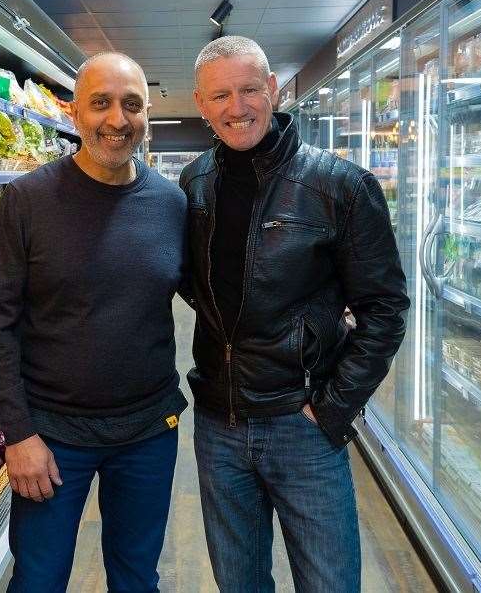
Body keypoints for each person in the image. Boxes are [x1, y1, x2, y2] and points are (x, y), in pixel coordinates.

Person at [180, 35, 409, 593]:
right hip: (219, 423)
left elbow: (385, 310)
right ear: (200, 104)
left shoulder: (340, 186)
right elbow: (195, 290)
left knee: (328, 581)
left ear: (274, 89)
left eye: (250, 89)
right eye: (220, 96)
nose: (237, 108)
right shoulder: (195, 184)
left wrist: (330, 408)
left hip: (302, 423)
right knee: (239, 582)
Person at [0, 51, 188, 593]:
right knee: (39, 580)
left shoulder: (171, 205)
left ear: (146, 116)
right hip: (51, 436)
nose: (117, 119)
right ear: (74, 113)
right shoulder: (27, 201)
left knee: (137, 577)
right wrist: (17, 432)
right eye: (102, 103)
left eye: (132, 105)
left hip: (147, 432)